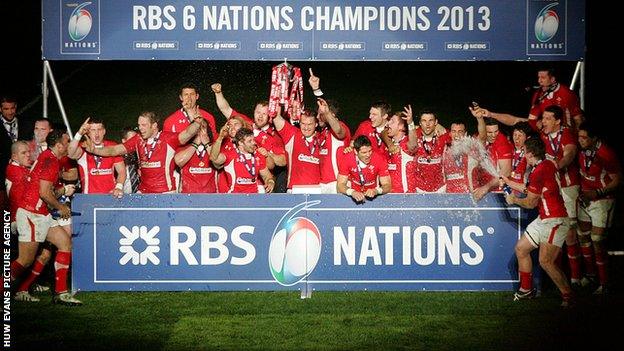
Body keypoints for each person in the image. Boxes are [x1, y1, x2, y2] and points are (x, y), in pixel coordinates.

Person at [10, 129, 82, 305]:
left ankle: (61, 293)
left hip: (41, 213)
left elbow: (46, 191)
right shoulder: (51, 161)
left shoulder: (49, 157)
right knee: (24, 261)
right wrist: (61, 207)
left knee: (65, 243)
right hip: (32, 214)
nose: (68, 146)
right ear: (58, 145)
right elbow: (44, 193)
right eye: (66, 142)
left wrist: (60, 193)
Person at [501, 138, 573, 307]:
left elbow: (530, 203)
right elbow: (531, 189)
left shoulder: (539, 170)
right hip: (544, 218)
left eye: (524, 151)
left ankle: (569, 296)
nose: (523, 154)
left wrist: (513, 200)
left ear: (530, 154)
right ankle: (527, 290)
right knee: (521, 249)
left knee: (546, 262)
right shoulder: (545, 165)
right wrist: (508, 181)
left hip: (555, 220)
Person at [84, 111, 204, 193]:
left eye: (144, 125)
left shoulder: (168, 138)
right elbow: (114, 150)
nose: (140, 128)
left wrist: (197, 123)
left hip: (165, 192)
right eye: (139, 125)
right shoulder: (137, 140)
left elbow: (187, 133)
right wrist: (94, 150)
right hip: (144, 191)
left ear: (154, 125)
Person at [577, 121, 621, 294]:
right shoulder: (582, 151)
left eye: (584, 137)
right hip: (585, 199)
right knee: (583, 237)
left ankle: (604, 282)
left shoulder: (605, 154)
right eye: (579, 137)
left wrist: (598, 192)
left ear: (595, 139)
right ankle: (590, 275)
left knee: (597, 240)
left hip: (602, 200)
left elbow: (618, 180)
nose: (580, 140)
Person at [470, 68, 582, 130]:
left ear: (553, 79)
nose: (539, 81)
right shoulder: (538, 94)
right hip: (545, 139)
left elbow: (578, 120)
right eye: (538, 77)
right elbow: (525, 122)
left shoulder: (567, 94)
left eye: (543, 78)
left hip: (565, 139)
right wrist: (491, 114)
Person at [307, 69, 352, 193]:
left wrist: (326, 113)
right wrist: (316, 90)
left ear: (330, 114)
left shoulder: (341, 127)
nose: (317, 117)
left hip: (338, 183)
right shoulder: (322, 132)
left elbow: (338, 131)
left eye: (320, 114)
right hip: (322, 184)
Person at [68, 118, 126, 197]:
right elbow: (70, 153)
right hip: (89, 197)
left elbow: (122, 171)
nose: (97, 134)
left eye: (99, 129)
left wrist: (119, 187)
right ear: (88, 132)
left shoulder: (112, 147)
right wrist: (79, 134)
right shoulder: (83, 147)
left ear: (104, 131)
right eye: (93, 130)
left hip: (110, 196)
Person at [209, 127, 275, 193]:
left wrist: (270, 182)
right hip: (235, 198)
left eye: (253, 140)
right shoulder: (231, 154)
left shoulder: (258, 155)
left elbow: (267, 176)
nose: (254, 143)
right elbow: (214, 158)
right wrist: (220, 139)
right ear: (240, 143)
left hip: (253, 197)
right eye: (250, 141)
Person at [273, 106, 322, 193]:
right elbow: (276, 117)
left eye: (310, 124)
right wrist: (279, 96)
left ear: (316, 124)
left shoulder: (322, 139)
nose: (306, 128)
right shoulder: (292, 134)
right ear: (299, 123)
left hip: (317, 189)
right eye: (303, 123)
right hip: (294, 189)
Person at [337, 135, 391, 202]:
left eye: (370, 151)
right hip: (354, 195)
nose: (368, 155)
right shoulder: (347, 159)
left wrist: (376, 191)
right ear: (356, 152)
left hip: (373, 195)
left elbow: (387, 185)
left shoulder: (379, 159)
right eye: (364, 152)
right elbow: (340, 185)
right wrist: (352, 192)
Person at [411, 109, 452, 193]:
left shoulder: (444, 135)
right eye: (424, 121)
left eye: (431, 120)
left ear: (436, 122)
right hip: (419, 188)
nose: (427, 124)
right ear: (420, 123)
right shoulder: (414, 136)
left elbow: (460, 138)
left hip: (440, 188)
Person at [175, 119, 217, 193]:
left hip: (210, 196)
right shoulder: (184, 147)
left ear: (208, 131)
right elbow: (179, 162)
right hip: (187, 195)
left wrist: (207, 144)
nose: (199, 130)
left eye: (203, 127)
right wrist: (195, 144)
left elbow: (217, 161)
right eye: (197, 128)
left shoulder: (213, 147)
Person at [384, 107, 415, 193]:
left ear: (401, 126)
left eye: (392, 121)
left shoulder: (406, 143)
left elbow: (413, 145)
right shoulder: (388, 144)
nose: (388, 123)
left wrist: (410, 124)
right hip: (389, 196)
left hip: (406, 197)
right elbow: (382, 132)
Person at [120, 127, 140, 193]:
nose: (134, 142)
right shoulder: (118, 159)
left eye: (136, 139)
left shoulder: (141, 156)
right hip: (122, 197)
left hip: (141, 196)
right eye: (131, 139)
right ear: (124, 141)